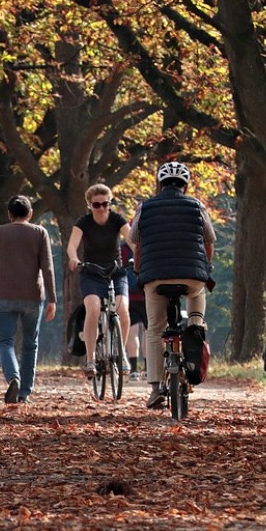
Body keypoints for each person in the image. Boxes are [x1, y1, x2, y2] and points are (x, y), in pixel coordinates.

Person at [128, 161, 215, 409]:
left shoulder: (145, 207)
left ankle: (155, 388)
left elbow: (136, 241)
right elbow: (209, 240)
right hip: (192, 276)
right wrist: (205, 266)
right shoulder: (197, 206)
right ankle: (195, 328)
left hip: (156, 276)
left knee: (155, 329)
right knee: (197, 297)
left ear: (160, 184)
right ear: (185, 185)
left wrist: (138, 270)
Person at [0, 195, 57, 404]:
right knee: (30, 344)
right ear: (30, 213)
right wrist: (52, 299)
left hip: (3, 295)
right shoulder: (40, 232)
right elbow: (47, 269)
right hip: (32, 296)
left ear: (9, 214)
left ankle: (13, 376)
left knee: (6, 342)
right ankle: (24, 392)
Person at [66, 184, 132, 380]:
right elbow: (72, 245)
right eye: (97, 205)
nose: (102, 208)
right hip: (91, 272)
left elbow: (132, 239)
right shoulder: (83, 222)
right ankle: (91, 359)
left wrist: (139, 255)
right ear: (89, 205)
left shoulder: (117, 219)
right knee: (93, 309)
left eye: (106, 204)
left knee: (123, 310)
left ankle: (121, 354)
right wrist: (73, 258)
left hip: (115, 271)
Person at [121, 242, 146, 380]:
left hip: (129, 295)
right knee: (150, 333)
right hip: (147, 294)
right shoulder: (148, 242)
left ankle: (134, 370)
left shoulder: (124, 248)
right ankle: (149, 369)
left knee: (132, 333)